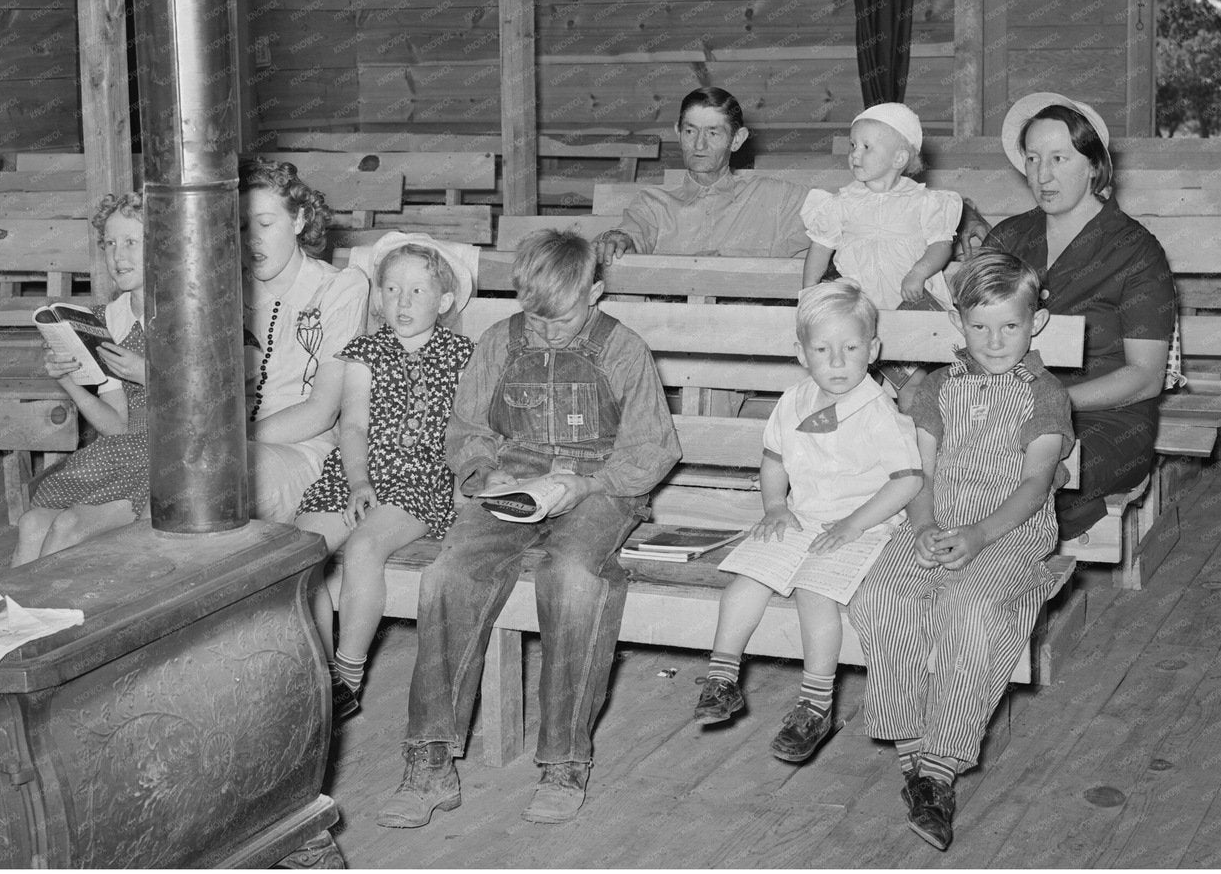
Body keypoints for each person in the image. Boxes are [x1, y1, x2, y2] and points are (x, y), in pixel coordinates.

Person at [377, 231, 681, 828]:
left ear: (595, 291)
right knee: (448, 574)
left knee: (571, 576)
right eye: (533, 316)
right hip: (511, 481)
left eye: (561, 318)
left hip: (599, 483)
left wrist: (585, 485)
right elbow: (467, 429)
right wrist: (484, 473)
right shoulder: (499, 340)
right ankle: (429, 762)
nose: (543, 331)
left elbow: (651, 449)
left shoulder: (623, 348)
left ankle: (565, 762)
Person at [849, 250, 1075, 851]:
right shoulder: (935, 390)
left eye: (1010, 325)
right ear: (958, 324)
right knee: (882, 596)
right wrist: (923, 526)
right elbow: (918, 473)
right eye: (979, 326)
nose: (995, 340)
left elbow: (1034, 485)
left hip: (1010, 528)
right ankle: (911, 755)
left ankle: (942, 766)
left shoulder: (1045, 395)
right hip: (939, 517)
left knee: (972, 612)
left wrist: (978, 537)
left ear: (1037, 324)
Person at [692, 281, 922, 763]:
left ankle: (815, 704)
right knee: (747, 578)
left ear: (873, 349)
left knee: (815, 593)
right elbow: (774, 461)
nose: (837, 362)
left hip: (865, 523)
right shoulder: (792, 402)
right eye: (822, 349)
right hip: (802, 516)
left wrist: (854, 524)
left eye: (851, 348)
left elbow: (907, 482)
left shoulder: (879, 411)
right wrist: (775, 506)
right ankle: (721, 678)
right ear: (802, 353)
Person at [294, 233, 476, 721]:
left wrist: (464, 493)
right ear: (378, 297)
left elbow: (468, 434)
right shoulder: (365, 352)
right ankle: (318, 673)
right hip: (356, 474)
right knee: (299, 553)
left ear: (445, 300)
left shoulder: (463, 355)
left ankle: (348, 675)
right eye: (392, 289)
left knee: (364, 548)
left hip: (419, 481)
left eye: (418, 291)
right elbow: (351, 424)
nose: (402, 301)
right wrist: (357, 481)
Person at [983, 93, 1176, 540]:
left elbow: (1145, 377)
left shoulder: (1137, 252)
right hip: (1001, 405)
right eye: (1032, 159)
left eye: (1058, 158)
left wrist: (1054, 403)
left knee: (1024, 481)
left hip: (1103, 416)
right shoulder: (1008, 237)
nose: (1042, 175)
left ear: (1094, 165)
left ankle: (1009, 580)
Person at [12, 192, 150, 566]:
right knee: (32, 523)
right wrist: (69, 380)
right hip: (124, 451)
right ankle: (10, 620)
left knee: (68, 525)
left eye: (132, 242)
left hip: (169, 459)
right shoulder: (109, 319)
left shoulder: (185, 310)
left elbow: (207, 404)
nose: (118, 256)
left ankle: (45, 621)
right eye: (110, 244)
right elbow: (117, 425)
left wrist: (147, 373)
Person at [242, 159, 370, 521]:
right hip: (226, 450)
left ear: (298, 220)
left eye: (266, 223)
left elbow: (322, 410)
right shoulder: (226, 292)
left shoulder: (338, 288)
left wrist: (233, 442)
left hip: (304, 450)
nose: (253, 239)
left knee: (234, 481)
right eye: (241, 226)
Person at [593, 87, 812, 264]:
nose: (699, 144)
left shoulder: (775, 198)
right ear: (678, 133)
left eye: (713, 133)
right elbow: (630, 236)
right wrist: (618, 239)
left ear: (737, 140)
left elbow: (837, 214)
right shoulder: (653, 204)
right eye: (690, 131)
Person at [800, 103, 962, 312]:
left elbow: (940, 246)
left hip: (910, 293)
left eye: (866, 147)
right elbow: (820, 248)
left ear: (899, 158)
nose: (855, 154)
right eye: (853, 145)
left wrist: (918, 274)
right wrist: (809, 293)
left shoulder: (923, 201)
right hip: (857, 300)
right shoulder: (841, 202)